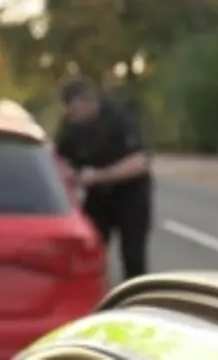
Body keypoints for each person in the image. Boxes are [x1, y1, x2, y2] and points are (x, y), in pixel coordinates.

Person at [54, 77, 152, 281]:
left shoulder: (118, 117)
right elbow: (57, 157)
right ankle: (90, 298)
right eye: (68, 111)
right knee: (88, 251)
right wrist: (69, 173)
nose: (71, 116)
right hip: (98, 197)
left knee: (133, 256)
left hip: (130, 194)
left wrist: (100, 176)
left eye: (74, 110)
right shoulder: (69, 126)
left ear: (88, 103)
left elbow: (139, 162)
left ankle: (136, 302)